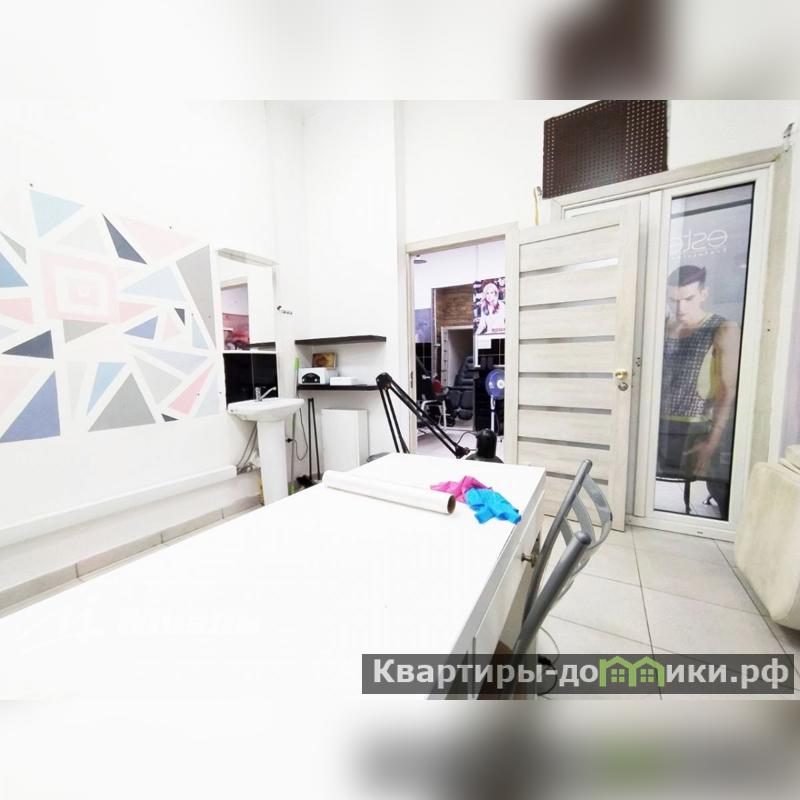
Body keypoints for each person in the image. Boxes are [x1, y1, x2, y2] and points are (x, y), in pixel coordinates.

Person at [658, 265, 740, 517]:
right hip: (657, 423)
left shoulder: (722, 328)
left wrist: (712, 441)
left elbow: (728, 390)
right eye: (673, 300)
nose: (680, 308)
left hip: (697, 426)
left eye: (688, 299)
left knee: (709, 482)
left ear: (703, 294)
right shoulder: (660, 327)